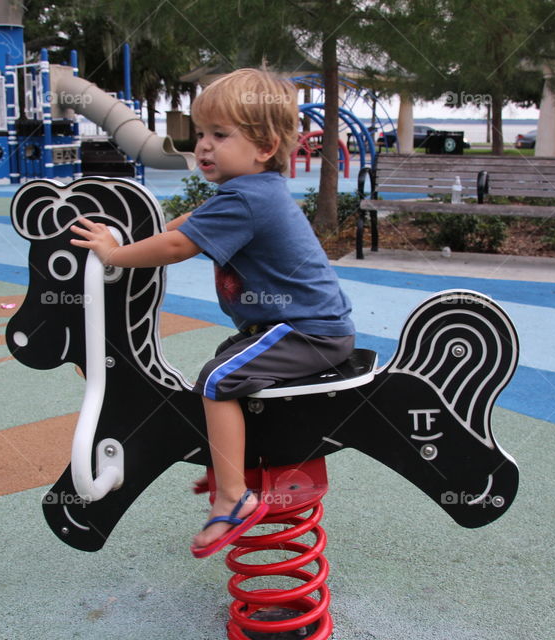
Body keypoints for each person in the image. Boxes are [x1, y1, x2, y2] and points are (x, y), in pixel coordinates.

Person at [69, 68, 355, 557]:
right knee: (227, 365)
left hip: (307, 332)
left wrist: (115, 256)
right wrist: (136, 240)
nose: (203, 146)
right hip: (294, 326)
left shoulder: (247, 198)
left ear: (264, 147)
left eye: (220, 135)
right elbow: (184, 224)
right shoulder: (245, 194)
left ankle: (233, 497)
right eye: (201, 134)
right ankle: (234, 467)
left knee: (218, 380)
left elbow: (179, 244)